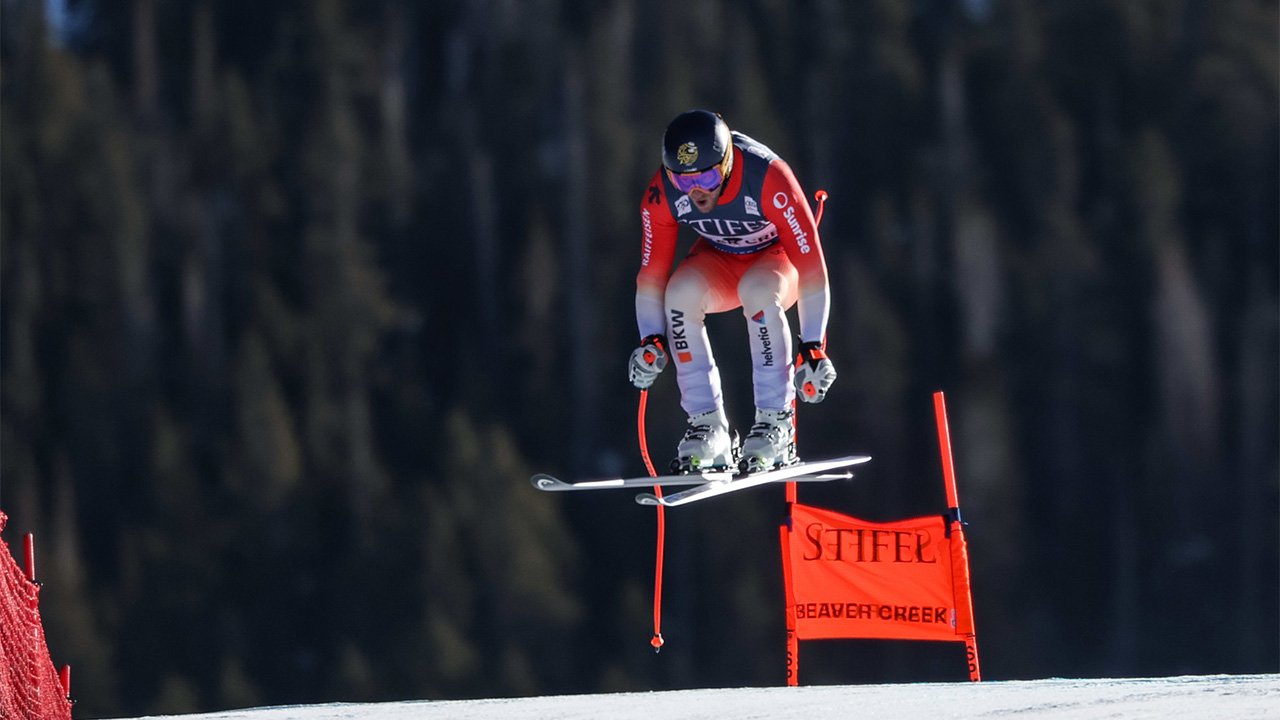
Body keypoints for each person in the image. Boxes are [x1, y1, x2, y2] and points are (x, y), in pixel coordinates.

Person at [628, 109, 837, 474]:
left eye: (707, 177)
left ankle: (775, 423)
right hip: (723, 259)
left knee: (758, 292)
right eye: (682, 180)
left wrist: (813, 345)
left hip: (777, 259)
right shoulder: (661, 193)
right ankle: (708, 427)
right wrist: (651, 340)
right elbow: (650, 277)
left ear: (726, 163)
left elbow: (812, 268)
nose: (696, 191)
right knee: (679, 294)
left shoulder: (767, 176)